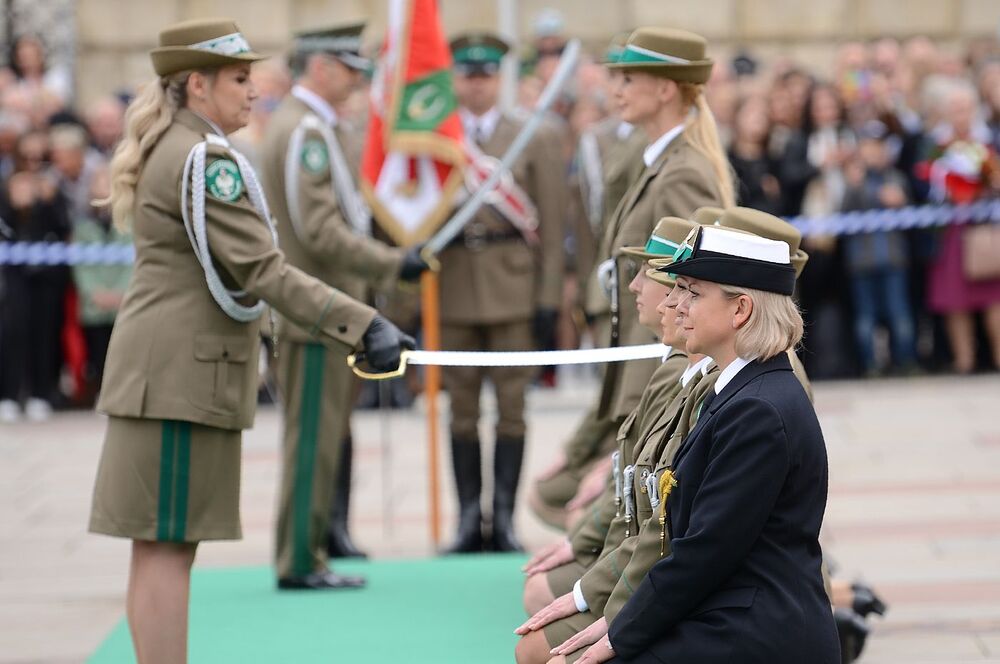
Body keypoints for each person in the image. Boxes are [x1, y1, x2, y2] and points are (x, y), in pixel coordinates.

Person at [86, 19, 412, 663]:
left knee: (158, 548)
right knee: (167, 549)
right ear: (197, 84)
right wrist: (362, 321)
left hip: (163, 371)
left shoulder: (182, 145)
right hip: (180, 378)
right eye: (238, 79)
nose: (253, 90)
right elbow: (265, 270)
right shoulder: (206, 160)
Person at [575, 225, 839, 663]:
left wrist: (619, 636)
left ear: (740, 310)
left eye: (693, 293)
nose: (675, 305)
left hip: (757, 632)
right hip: (730, 615)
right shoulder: (740, 392)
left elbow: (704, 552)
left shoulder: (757, 410)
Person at [257, 21, 429, 586]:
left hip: (321, 311)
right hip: (316, 314)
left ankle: (309, 553)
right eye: (349, 69)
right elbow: (321, 233)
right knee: (312, 442)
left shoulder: (308, 125)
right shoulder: (305, 131)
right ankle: (301, 561)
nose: (357, 80)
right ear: (320, 67)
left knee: (321, 438)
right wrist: (391, 261)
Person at [556, 26, 732, 534]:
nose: (617, 91)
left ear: (666, 90)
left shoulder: (682, 171)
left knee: (643, 505)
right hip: (639, 341)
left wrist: (667, 364)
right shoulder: (655, 159)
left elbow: (690, 286)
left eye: (629, 78)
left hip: (656, 347)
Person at [439, 32, 568, 553]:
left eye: (486, 74)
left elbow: (554, 224)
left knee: (512, 407)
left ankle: (506, 519)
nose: (476, 84)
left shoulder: (531, 136)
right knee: (461, 408)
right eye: (468, 75)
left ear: (499, 78)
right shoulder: (437, 135)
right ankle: (470, 519)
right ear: (455, 79)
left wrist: (548, 299)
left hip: (514, 285)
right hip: (451, 285)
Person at [529, 32, 648, 532]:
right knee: (618, 401)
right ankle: (601, 509)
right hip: (612, 290)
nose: (616, 89)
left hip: (648, 293)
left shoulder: (654, 145)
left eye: (625, 78)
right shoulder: (596, 143)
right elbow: (589, 222)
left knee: (636, 410)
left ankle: (611, 519)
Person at [71, 165, 130, 396]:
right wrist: (94, 292)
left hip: (122, 300)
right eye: (99, 184)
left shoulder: (129, 221)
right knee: (96, 349)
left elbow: (133, 260)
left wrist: (121, 292)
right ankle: (99, 391)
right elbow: (81, 264)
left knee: (122, 350)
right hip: (95, 301)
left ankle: (119, 393)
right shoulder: (83, 225)